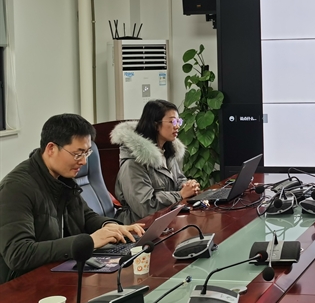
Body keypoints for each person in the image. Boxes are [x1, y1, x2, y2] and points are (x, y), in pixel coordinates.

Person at [0, 114, 145, 284]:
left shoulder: (63, 178)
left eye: (87, 153)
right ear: (51, 149)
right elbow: (18, 254)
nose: (83, 161)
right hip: (24, 284)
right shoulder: (16, 188)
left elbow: (85, 215)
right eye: (78, 154)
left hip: (60, 270)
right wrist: (88, 241)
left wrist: (110, 226)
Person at [111, 99, 200, 224]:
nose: (177, 126)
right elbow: (145, 206)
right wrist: (180, 195)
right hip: (139, 226)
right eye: (172, 121)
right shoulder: (132, 164)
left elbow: (179, 180)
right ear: (155, 125)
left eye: (178, 121)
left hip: (166, 219)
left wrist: (188, 186)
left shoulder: (167, 153)